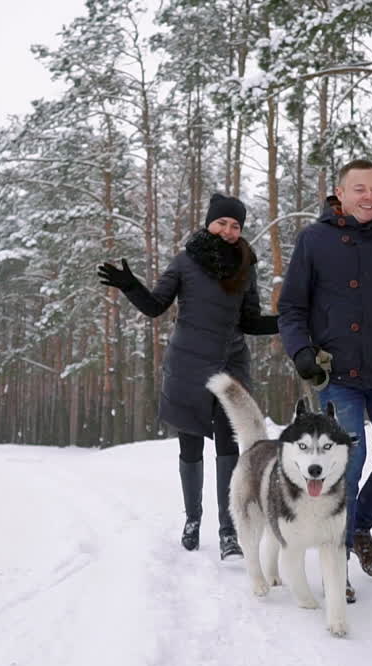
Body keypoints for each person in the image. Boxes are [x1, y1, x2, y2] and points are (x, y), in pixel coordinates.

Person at [277, 159, 372, 602]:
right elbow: (291, 308)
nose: (369, 197)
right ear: (339, 194)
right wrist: (301, 352)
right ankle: (336, 562)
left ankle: (358, 528)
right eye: (359, 189)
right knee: (348, 463)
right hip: (336, 371)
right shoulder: (314, 240)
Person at [98, 193, 279, 560]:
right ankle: (192, 520)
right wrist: (130, 286)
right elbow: (155, 307)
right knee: (191, 446)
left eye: (235, 226)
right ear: (208, 223)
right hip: (188, 368)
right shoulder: (185, 261)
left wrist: (287, 321)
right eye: (222, 223)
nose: (228, 231)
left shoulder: (246, 266)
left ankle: (229, 530)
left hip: (231, 370)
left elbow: (250, 321)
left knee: (230, 447)